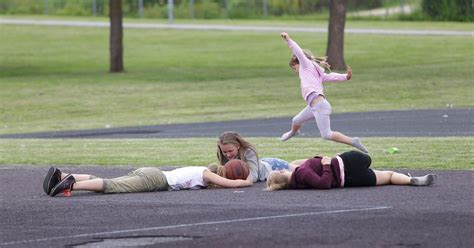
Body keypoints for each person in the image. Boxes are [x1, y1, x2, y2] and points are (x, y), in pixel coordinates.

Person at [279, 32, 368, 153]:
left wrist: (288, 40)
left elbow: (298, 51)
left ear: (298, 62)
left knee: (326, 134)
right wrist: (345, 77)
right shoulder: (315, 71)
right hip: (313, 106)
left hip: (320, 106)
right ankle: (294, 132)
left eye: (294, 68)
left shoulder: (306, 65)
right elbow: (330, 77)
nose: (295, 71)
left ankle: (353, 141)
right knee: (296, 120)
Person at [266, 150, 437, 191]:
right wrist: (325, 163)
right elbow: (323, 184)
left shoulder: (298, 182)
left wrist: (317, 159)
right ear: (282, 174)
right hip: (345, 165)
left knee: (389, 175)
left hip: (349, 180)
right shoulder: (300, 174)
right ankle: (410, 179)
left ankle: (413, 180)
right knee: (367, 159)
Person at [42, 164, 253, 197]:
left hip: (151, 172)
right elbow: (234, 184)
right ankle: (71, 184)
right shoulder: (207, 173)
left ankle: (61, 176)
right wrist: (248, 179)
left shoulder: (200, 169)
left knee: (109, 180)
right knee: (112, 186)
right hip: (156, 180)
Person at [215, 131, 296, 182]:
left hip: (273, 167)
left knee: (298, 169)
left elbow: (254, 175)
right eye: (224, 152)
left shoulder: (249, 152)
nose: (228, 154)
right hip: (261, 162)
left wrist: (240, 182)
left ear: (238, 146)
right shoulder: (221, 154)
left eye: (230, 151)